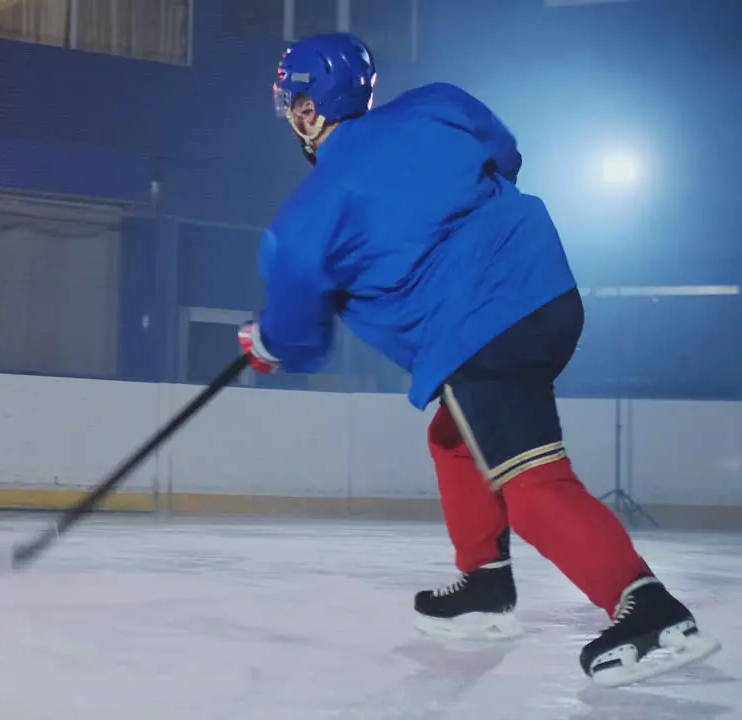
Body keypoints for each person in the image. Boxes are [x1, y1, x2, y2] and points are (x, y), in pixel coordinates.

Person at [237, 33, 720, 687]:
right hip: (550, 291)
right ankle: (484, 587)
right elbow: (506, 155)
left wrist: (265, 341)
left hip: (479, 330)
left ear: (307, 111)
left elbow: (300, 339)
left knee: (532, 485)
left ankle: (650, 610)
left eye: (291, 103)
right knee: (455, 437)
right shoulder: (437, 105)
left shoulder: (304, 223)